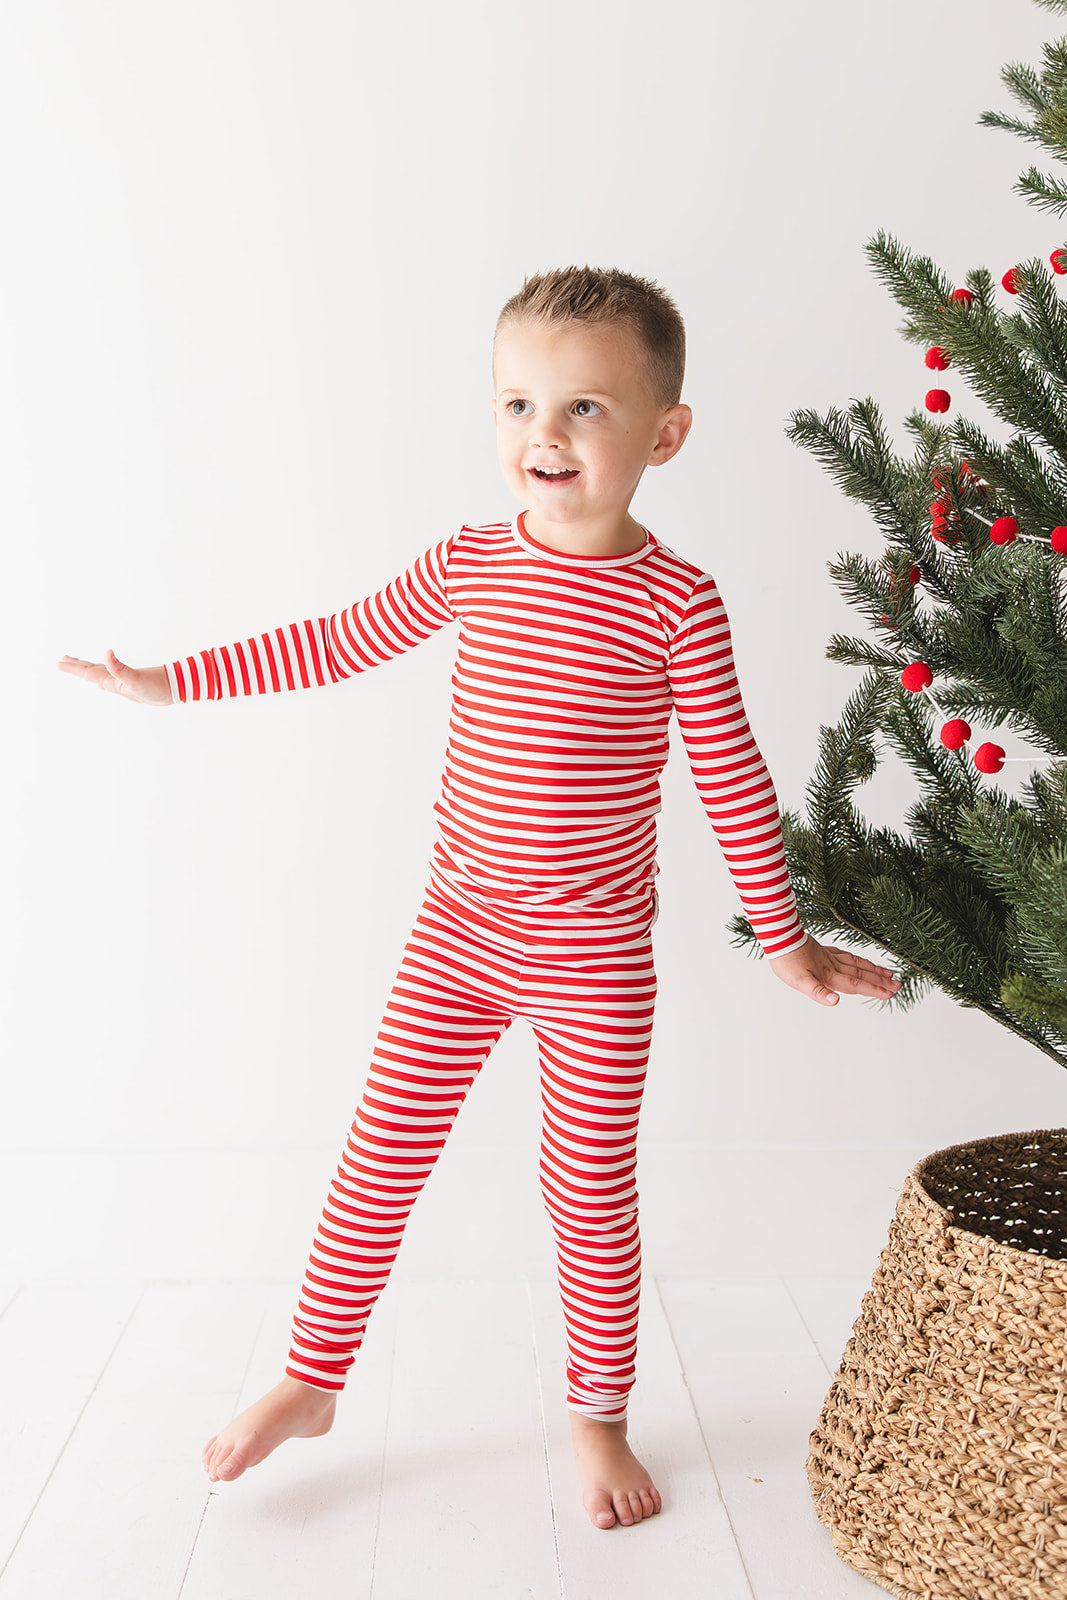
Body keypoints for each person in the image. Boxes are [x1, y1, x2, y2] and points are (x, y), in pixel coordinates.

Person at [57, 264, 901, 1532]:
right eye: (517, 404)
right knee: (378, 1157)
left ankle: (597, 1415)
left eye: (582, 408)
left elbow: (729, 772)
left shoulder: (675, 602)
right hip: (457, 934)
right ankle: (311, 1377)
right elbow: (330, 640)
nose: (541, 434)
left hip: (593, 955)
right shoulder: (469, 563)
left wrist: (782, 941)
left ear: (664, 434)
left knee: (588, 1190)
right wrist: (172, 681)